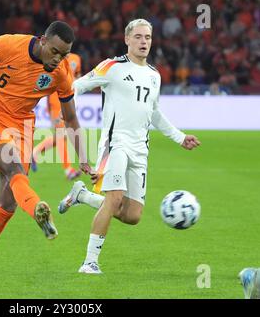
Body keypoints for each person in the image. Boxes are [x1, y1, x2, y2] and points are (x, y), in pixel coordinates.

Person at [0, 21, 92, 290]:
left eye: (65, 55)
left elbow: (70, 118)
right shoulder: (9, 44)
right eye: (56, 51)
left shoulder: (60, 73)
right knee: (14, 170)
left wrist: (83, 157)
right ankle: (37, 208)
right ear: (44, 41)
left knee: (7, 207)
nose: (59, 59)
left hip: (22, 124)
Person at [58, 19, 201, 274]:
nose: (143, 42)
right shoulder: (111, 67)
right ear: (127, 39)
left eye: (147, 37)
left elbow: (154, 113)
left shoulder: (154, 75)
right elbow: (77, 86)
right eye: (138, 37)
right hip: (116, 145)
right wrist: (65, 109)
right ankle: (89, 262)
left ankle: (81, 196)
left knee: (132, 215)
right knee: (113, 200)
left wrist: (180, 137)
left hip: (140, 149)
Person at [31, 52, 82, 180]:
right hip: (55, 101)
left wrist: (77, 82)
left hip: (68, 101)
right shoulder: (54, 58)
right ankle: (68, 169)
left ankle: (34, 151)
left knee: (60, 135)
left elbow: (78, 76)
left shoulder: (76, 58)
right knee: (61, 135)